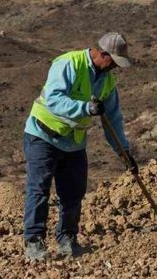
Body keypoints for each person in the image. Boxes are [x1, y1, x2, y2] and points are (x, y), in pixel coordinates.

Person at [23, 32, 137, 261]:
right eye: (113, 62)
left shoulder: (107, 82)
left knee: (73, 193)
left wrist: (124, 152)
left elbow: (113, 120)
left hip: (73, 143)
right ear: (103, 54)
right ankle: (34, 241)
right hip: (43, 134)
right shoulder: (68, 63)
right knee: (39, 189)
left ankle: (67, 238)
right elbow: (54, 99)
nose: (114, 67)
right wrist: (85, 108)